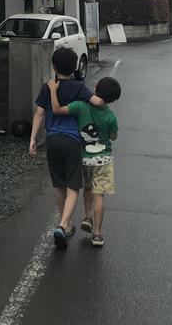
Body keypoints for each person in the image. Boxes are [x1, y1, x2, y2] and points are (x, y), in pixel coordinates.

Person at [29, 47, 106, 249]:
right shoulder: (79, 87)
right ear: (74, 68)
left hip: (52, 139)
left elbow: (39, 113)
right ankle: (63, 224)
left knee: (58, 184)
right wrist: (107, 96)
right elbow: (96, 102)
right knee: (74, 186)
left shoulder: (48, 87)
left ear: (53, 66)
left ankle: (67, 224)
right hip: (72, 140)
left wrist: (33, 138)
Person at [48, 75, 120, 248]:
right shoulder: (110, 116)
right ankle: (96, 234)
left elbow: (57, 110)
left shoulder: (80, 106)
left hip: (85, 159)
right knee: (99, 195)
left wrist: (52, 90)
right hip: (104, 159)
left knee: (87, 189)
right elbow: (113, 136)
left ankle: (87, 216)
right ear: (113, 99)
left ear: (95, 88)